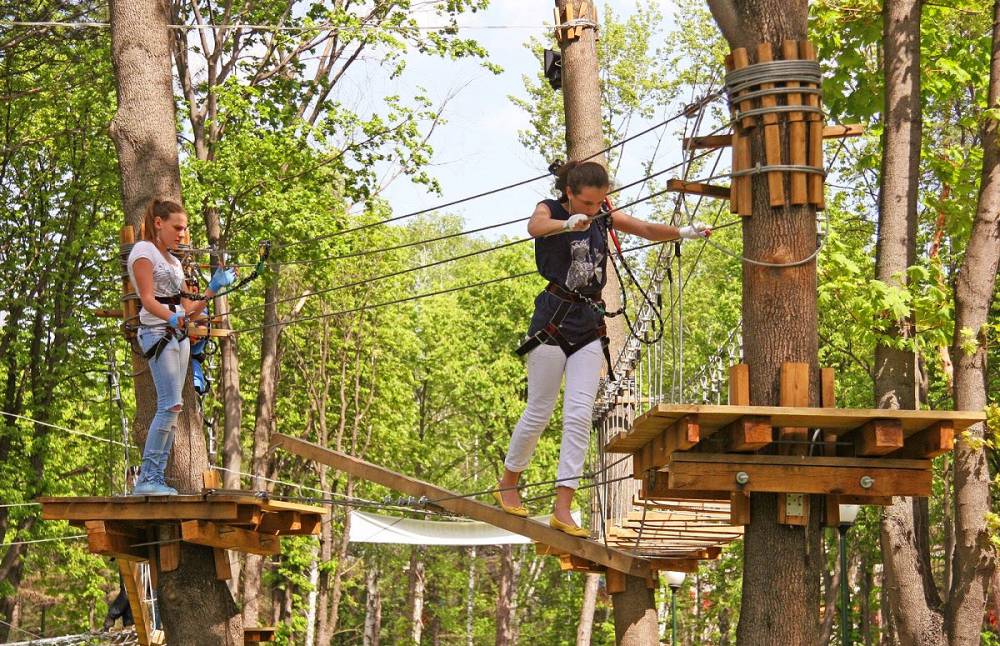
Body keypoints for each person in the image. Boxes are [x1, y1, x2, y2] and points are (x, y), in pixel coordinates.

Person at [496, 161, 710, 537]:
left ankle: (563, 505)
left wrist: (683, 233)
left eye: (599, 204)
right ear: (570, 194)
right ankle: (508, 482)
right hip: (552, 320)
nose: (593, 210)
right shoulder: (552, 209)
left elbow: (642, 228)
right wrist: (567, 224)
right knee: (540, 410)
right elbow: (535, 227)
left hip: (588, 325)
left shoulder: (604, 215)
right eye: (587, 203)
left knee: (578, 416)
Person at [126, 199, 236, 496]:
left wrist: (213, 289)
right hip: (156, 332)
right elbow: (148, 299)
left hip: (178, 335)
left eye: (185, 229)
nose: (182, 234)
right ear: (159, 223)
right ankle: (147, 477)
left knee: (174, 408)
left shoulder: (174, 262)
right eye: (177, 227)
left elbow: (190, 311)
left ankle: (154, 477)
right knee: (169, 404)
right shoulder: (143, 252)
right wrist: (171, 317)